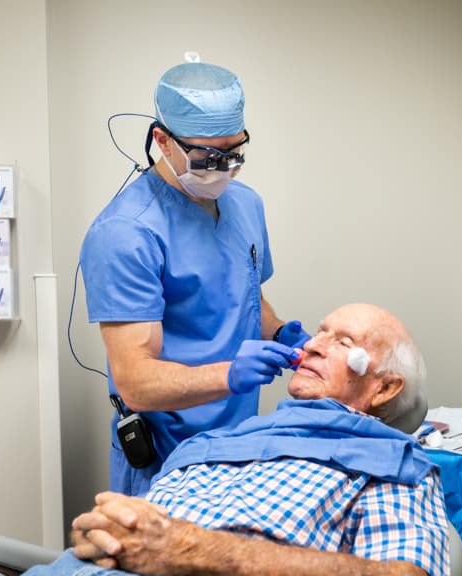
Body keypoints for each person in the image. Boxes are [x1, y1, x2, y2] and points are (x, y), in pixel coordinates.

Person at [0, 304, 451, 576]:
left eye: (343, 342)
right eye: (320, 332)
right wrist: (102, 533)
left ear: (386, 387)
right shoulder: (211, 444)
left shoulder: (394, 464)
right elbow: (136, 538)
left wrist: (188, 550)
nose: (315, 346)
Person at [79, 59, 311, 495]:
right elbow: (137, 383)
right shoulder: (126, 232)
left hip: (240, 447)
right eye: (207, 155)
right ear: (163, 141)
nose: (222, 167)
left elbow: (245, 294)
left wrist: (282, 333)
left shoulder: (246, 205)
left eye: (235, 152)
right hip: (168, 459)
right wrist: (230, 375)